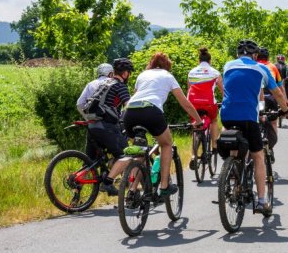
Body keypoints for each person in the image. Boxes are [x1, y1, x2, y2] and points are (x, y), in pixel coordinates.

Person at [221, 39, 288, 215]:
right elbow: (278, 93)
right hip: (247, 117)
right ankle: (260, 201)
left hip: (226, 115)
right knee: (258, 156)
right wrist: (285, 109)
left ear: (238, 54)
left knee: (234, 148)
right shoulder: (262, 69)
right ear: (255, 55)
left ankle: (232, 174)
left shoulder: (227, 66)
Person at [123, 52, 201, 196]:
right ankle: (164, 185)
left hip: (129, 112)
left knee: (140, 150)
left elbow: (136, 95)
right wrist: (198, 120)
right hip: (151, 111)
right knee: (166, 144)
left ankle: (132, 191)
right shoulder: (167, 76)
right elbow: (185, 102)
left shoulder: (142, 75)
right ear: (167, 66)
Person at [76, 59, 133, 195]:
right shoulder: (119, 86)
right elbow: (129, 107)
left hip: (92, 125)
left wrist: (88, 118)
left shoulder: (102, 84)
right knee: (126, 154)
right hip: (106, 126)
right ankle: (107, 182)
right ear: (125, 74)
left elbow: (80, 104)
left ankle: (76, 194)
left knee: (89, 163)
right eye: (129, 73)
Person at [187, 47, 223, 168]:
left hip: (192, 104)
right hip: (208, 103)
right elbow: (223, 90)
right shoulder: (215, 72)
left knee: (196, 125)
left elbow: (189, 89)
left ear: (199, 60)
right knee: (213, 121)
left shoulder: (191, 72)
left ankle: (193, 155)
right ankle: (214, 146)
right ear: (210, 61)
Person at [257, 47, 285, 148]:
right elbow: (280, 87)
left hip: (256, 98)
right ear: (268, 57)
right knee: (273, 122)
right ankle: (271, 148)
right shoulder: (272, 67)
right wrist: (285, 103)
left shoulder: (253, 66)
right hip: (270, 97)